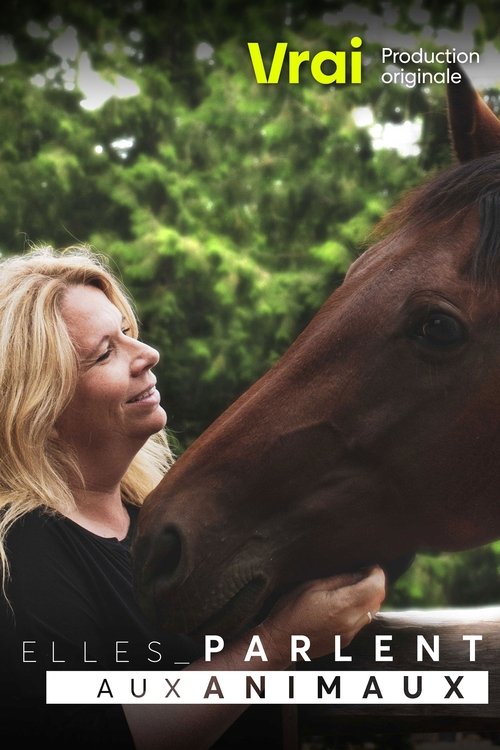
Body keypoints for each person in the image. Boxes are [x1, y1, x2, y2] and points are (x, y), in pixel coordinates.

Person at [0, 245, 386, 749]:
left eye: (128, 334)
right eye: (105, 353)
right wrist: (278, 645)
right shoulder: (23, 552)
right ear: (40, 410)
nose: (148, 354)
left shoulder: (161, 524)